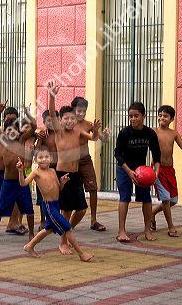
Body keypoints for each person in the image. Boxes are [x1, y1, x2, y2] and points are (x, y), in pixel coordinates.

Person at [47, 80, 100, 254]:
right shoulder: (59, 133)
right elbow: (53, 114)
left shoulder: (78, 132)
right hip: (63, 174)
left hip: (75, 174)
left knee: (82, 209)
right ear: (60, 121)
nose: (70, 121)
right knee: (66, 210)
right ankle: (63, 241)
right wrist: (52, 95)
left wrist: (97, 130)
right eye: (66, 118)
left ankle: (66, 231)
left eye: (72, 118)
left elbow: (93, 139)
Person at [16, 146, 94, 262]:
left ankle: (29, 246)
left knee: (48, 229)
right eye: (40, 157)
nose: (43, 159)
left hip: (56, 204)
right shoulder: (36, 173)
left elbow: (59, 188)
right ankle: (81, 254)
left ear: (51, 158)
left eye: (46, 157)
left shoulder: (52, 171)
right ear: (36, 160)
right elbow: (23, 183)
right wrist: (20, 171)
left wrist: (62, 182)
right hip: (49, 206)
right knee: (67, 228)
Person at [0, 112, 34, 244]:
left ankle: (32, 235)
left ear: (19, 131)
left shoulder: (22, 140)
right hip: (7, 182)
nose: (12, 133)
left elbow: (33, 127)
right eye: (9, 131)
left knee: (29, 209)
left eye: (15, 130)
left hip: (21, 181)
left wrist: (28, 114)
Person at [115, 102, 161, 242]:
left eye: (136, 116)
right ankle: (121, 231)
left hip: (142, 170)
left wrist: (156, 173)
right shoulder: (124, 133)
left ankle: (147, 230)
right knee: (125, 198)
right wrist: (129, 172)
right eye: (130, 116)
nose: (133, 119)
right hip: (124, 169)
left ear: (144, 116)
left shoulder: (150, 133)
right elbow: (117, 154)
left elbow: (156, 155)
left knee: (146, 199)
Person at [151, 105, 182, 237]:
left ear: (171, 119)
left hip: (170, 170)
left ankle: (152, 213)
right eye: (160, 115)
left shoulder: (174, 133)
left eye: (165, 116)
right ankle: (171, 227)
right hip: (158, 169)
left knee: (173, 200)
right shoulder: (153, 132)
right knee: (166, 199)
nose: (162, 118)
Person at [71, 96, 110, 232]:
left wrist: (105, 134)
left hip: (85, 160)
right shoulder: (68, 124)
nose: (81, 114)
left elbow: (101, 139)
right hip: (71, 162)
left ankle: (94, 220)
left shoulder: (88, 125)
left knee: (93, 188)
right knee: (69, 190)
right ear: (73, 110)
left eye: (84, 111)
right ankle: (66, 220)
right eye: (79, 111)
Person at [35, 109, 59, 230]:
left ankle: (56, 218)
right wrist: (39, 138)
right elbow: (37, 150)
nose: (51, 123)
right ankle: (43, 220)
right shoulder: (43, 135)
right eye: (48, 121)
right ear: (44, 122)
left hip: (58, 167)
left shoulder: (60, 133)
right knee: (43, 196)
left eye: (53, 120)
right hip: (44, 168)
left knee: (56, 194)